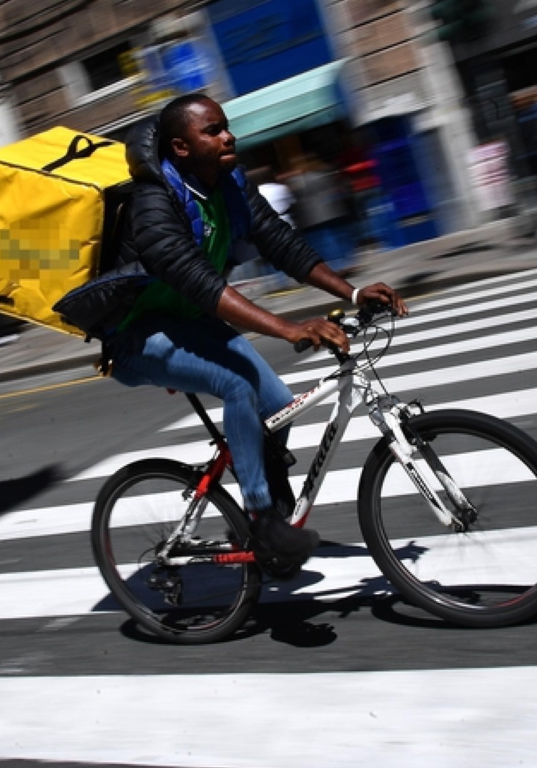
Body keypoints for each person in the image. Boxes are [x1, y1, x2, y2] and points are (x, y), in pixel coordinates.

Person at [101, 93, 406, 572]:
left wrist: (352, 293)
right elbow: (198, 282)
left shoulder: (231, 184)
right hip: (137, 335)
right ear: (181, 147)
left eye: (227, 127)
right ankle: (263, 519)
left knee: (277, 406)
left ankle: (272, 517)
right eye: (214, 130)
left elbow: (282, 245)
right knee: (236, 386)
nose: (229, 136)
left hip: (191, 324)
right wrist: (289, 328)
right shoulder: (154, 202)